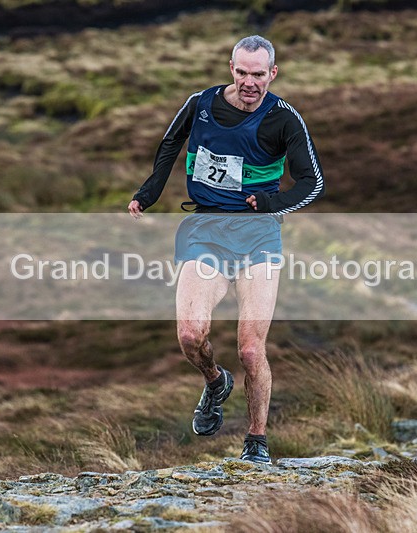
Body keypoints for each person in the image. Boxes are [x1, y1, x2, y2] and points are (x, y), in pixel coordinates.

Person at [127, 35, 325, 464]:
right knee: (189, 334)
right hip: (205, 229)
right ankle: (215, 381)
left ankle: (256, 443)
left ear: (273, 73)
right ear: (230, 68)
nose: (250, 82)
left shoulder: (285, 119)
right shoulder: (200, 104)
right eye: (242, 72)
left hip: (258, 236)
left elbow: (313, 183)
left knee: (251, 350)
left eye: (259, 74)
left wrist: (272, 202)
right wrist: (150, 191)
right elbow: (169, 144)